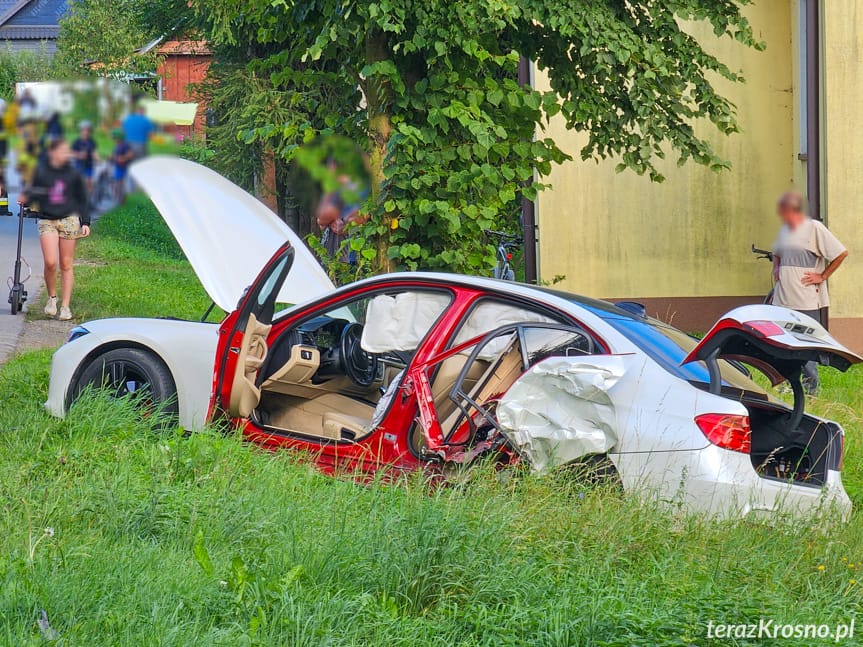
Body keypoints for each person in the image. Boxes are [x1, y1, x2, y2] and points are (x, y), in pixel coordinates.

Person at [771, 191, 848, 394]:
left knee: (805, 343)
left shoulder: (814, 228)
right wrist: (776, 267)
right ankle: (789, 383)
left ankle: (810, 387)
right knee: (784, 343)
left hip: (805, 299)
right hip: (783, 298)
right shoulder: (784, 230)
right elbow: (776, 253)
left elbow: (841, 253)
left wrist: (822, 276)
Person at [18, 138, 90, 321]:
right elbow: (35, 190)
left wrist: (85, 221)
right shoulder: (42, 172)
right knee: (51, 262)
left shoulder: (74, 174)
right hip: (47, 220)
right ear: (52, 153)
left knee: (66, 264)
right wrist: (25, 198)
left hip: (69, 219)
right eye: (61, 151)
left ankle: (65, 306)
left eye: (66, 151)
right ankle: (52, 298)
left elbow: (82, 198)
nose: (64, 155)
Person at [71, 121, 98, 191]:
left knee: (89, 181)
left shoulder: (92, 141)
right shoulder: (77, 141)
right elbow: (72, 153)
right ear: (80, 131)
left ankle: (89, 198)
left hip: (89, 165)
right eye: (84, 130)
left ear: (90, 132)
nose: (86, 132)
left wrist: (97, 158)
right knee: (79, 181)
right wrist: (79, 155)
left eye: (88, 131)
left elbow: (94, 152)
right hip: (79, 165)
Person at [109, 129, 135, 203]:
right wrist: (112, 157)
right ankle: (119, 199)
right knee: (117, 184)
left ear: (118, 137)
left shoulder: (124, 145)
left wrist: (123, 158)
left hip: (122, 168)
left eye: (113, 137)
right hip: (118, 167)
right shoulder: (118, 145)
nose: (112, 138)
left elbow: (131, 154)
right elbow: (116, 155)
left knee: (118, 184)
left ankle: (121, 200)